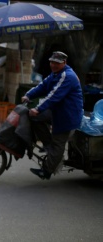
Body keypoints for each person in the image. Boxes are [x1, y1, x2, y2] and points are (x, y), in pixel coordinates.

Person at [21, 51, 83, 180]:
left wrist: (38, 108)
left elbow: (54, 96)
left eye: (57, 63)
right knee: (34, 117)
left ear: (64, 63)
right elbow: (43, 86)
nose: (53, 65)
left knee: (58, 142)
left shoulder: (67, 76)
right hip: (57, 110)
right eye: (52, 62)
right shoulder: (55, 74)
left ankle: (47, 171)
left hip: (67, 115)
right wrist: (28, 95)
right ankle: (48, 144)